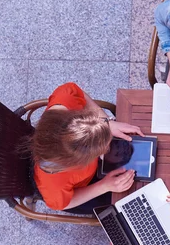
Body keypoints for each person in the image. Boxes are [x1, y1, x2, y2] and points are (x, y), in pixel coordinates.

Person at [31, 82, 144, 213]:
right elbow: (64, 203)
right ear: (76, 162)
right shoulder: (53, 183)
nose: (108, 149)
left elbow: (80, 94)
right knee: (130, 201)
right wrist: (104, 186)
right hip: (81, 190)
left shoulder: (65, 99)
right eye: (100, 151)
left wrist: (107, 122)